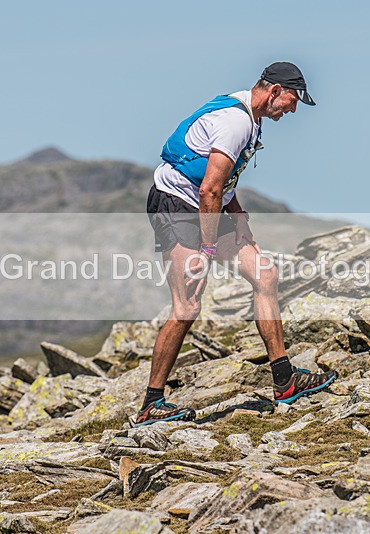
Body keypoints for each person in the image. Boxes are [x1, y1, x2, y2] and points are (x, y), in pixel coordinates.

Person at [138, 62, 338, 426]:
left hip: (207, 205)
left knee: (266, 275)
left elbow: (221, 183)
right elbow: (209, 188)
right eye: (293, 101)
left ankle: (284, 380)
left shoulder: (250, 115)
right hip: (176, 205)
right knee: (187, 305)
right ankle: (151, 403)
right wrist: (208, 251)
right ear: (275, 90)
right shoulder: (236, 123)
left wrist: (240, 215)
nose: (293, 110)